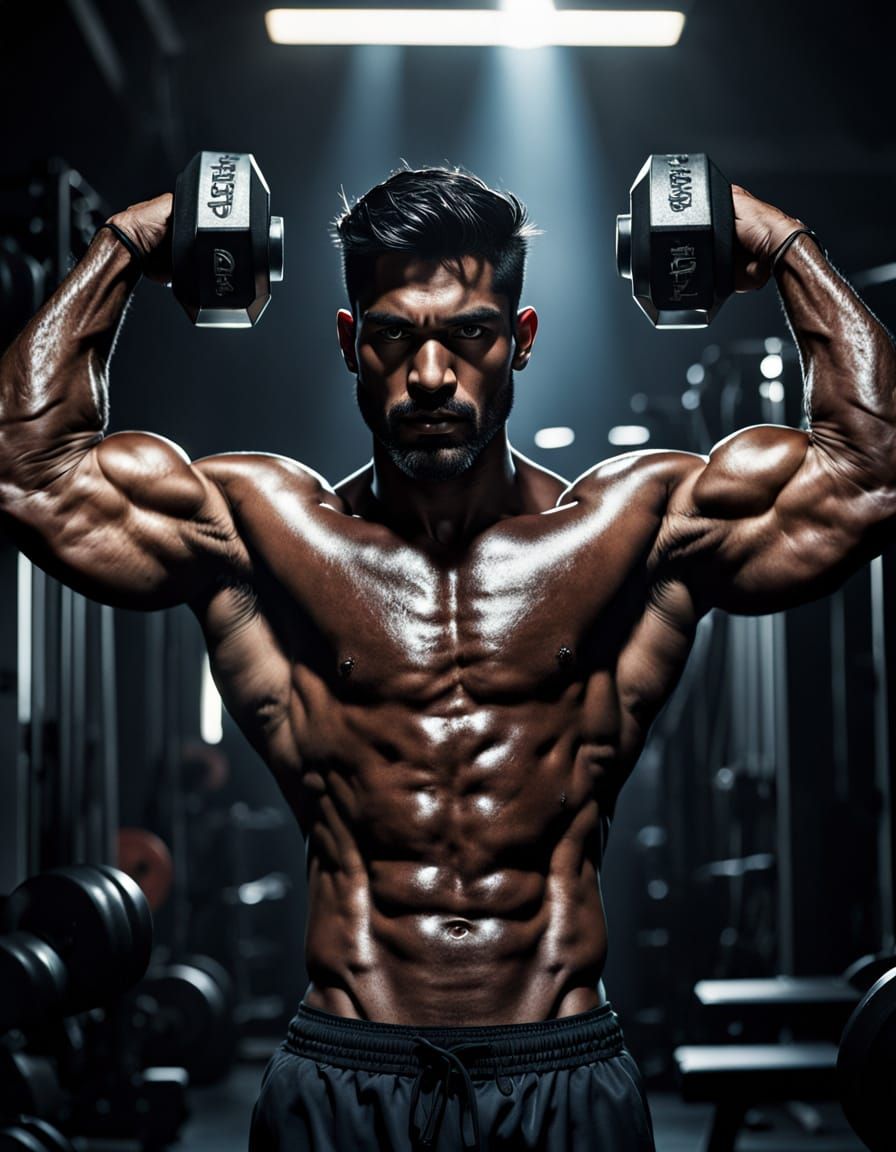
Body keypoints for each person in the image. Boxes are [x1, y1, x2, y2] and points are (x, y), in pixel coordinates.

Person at [1, 162, 894, 1152]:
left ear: (517, 342)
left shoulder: (630, 532)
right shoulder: (262, 535)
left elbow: (862, 476)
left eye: (467, 334)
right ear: (350, 344)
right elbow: (35, 476)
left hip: (559, 1070)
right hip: (344, 1071)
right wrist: (126, 244)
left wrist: (781, 248)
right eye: (393, 336)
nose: (431, 376)